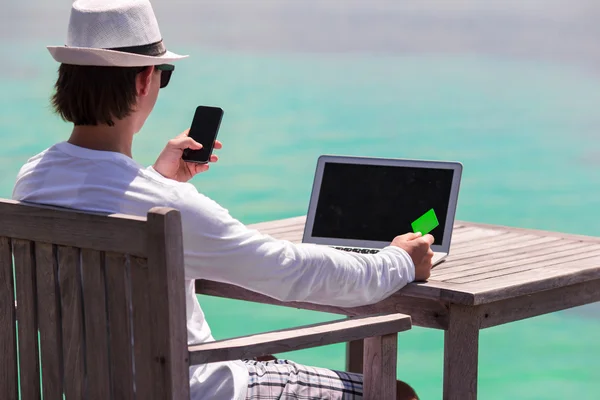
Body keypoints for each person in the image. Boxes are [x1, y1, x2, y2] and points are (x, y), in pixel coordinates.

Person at [13, 1, 434, 399]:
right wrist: (397, 260)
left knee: (257, 359)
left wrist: (159, 179)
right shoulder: (170, 210)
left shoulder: (32, 182)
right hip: (195, 388)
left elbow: (108, 201)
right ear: (144, 80)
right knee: (398, 394)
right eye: (162, 73)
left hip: (85, 389)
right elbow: (289, 273)